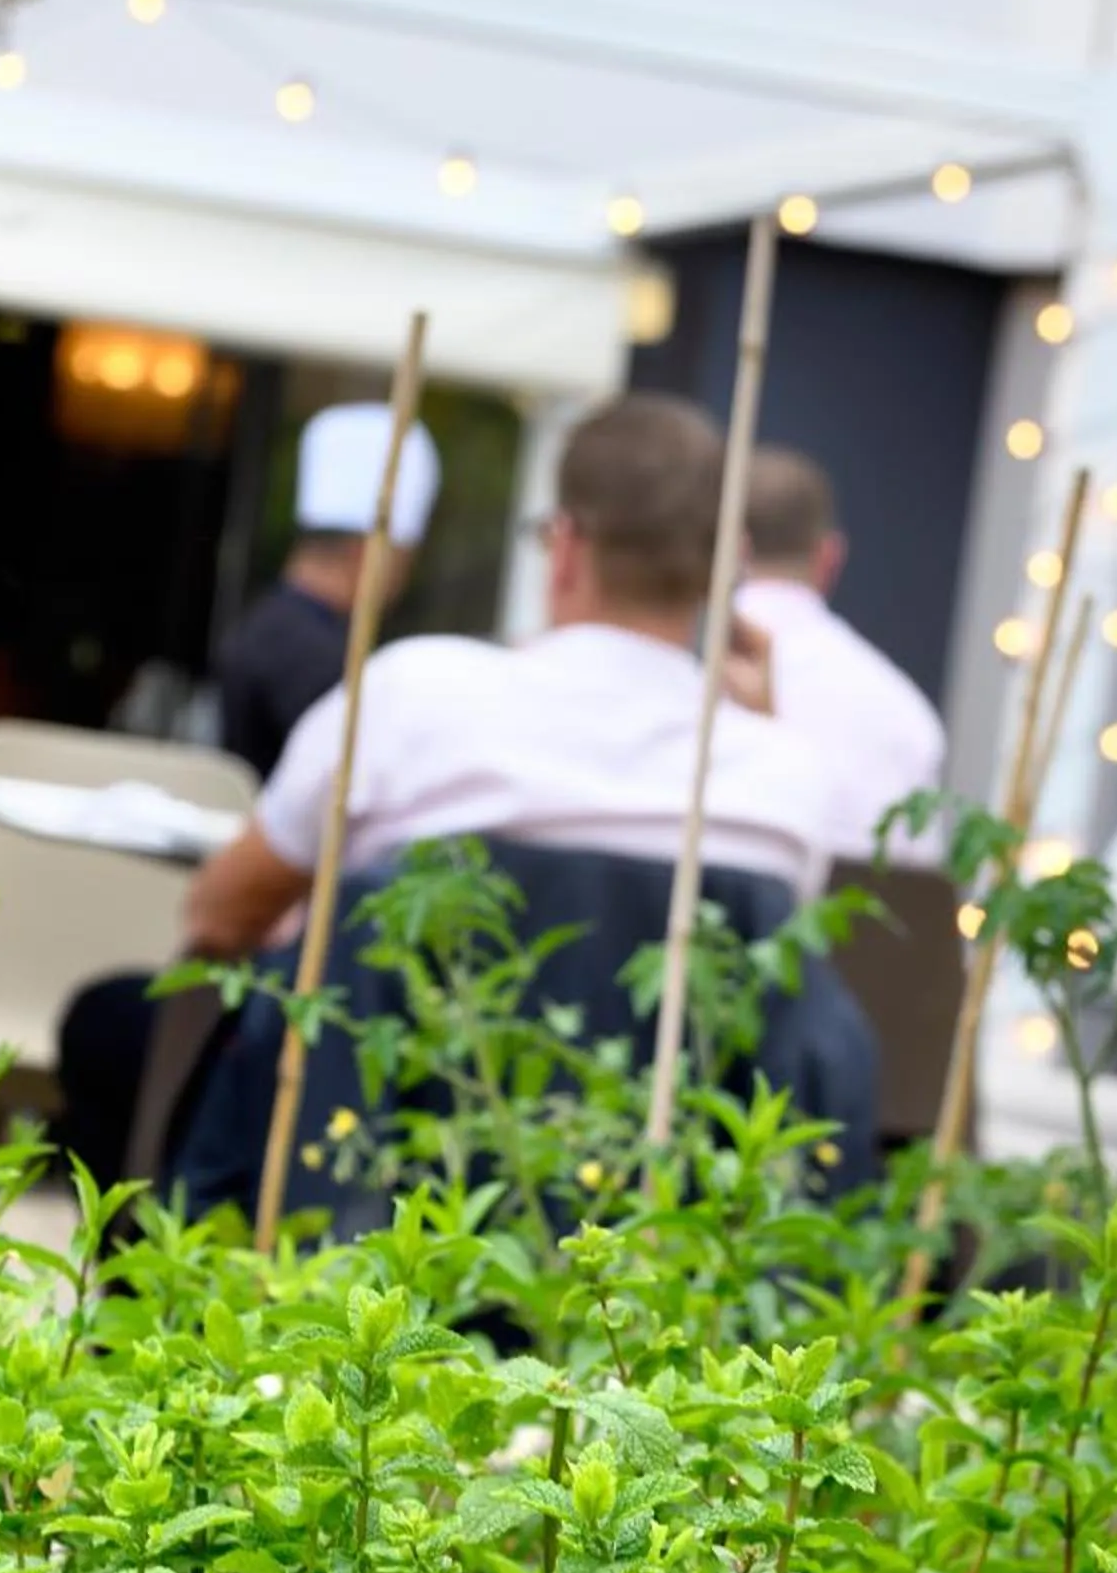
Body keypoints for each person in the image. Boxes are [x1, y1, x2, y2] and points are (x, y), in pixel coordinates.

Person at [167, 393, 873, 1219]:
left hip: (382, 1208)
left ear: (564, 546)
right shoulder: (782, 779)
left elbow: (218, 917)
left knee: (120, 1021)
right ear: (731, 565)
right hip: (650, 1236)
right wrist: (757, 728)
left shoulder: (414, 695)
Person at [54, 402, 443, 1190]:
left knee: (104, 1020)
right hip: (294, 967)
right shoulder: (345, 674)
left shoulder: (264, 632)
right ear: (386, 547)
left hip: (272, 947)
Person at [214, 402, 442, 780]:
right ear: (368, 552)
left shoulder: (274, 622)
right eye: (404, 557)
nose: (406, 574)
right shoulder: (316, 656)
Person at [738, 446, 945, 861]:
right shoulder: (903, 711)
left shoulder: (672, 670)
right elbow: (917, 886)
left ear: (731, 547)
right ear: (830, 555)